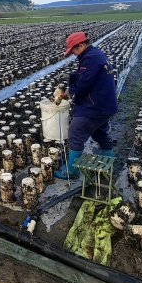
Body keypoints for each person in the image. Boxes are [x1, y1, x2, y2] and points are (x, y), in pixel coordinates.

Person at [55, 32, 119, 179]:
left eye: (74, 50)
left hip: (96, 105)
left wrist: (66, 92)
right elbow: (88, 75)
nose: (73, 53)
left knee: (76, 132)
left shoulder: (90, 58)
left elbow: (84, 83)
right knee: (100, 132)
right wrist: (70, 77)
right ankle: (107, 161)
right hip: (105, 104)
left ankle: (72, 171)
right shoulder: (95, 54)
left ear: (81, 45)